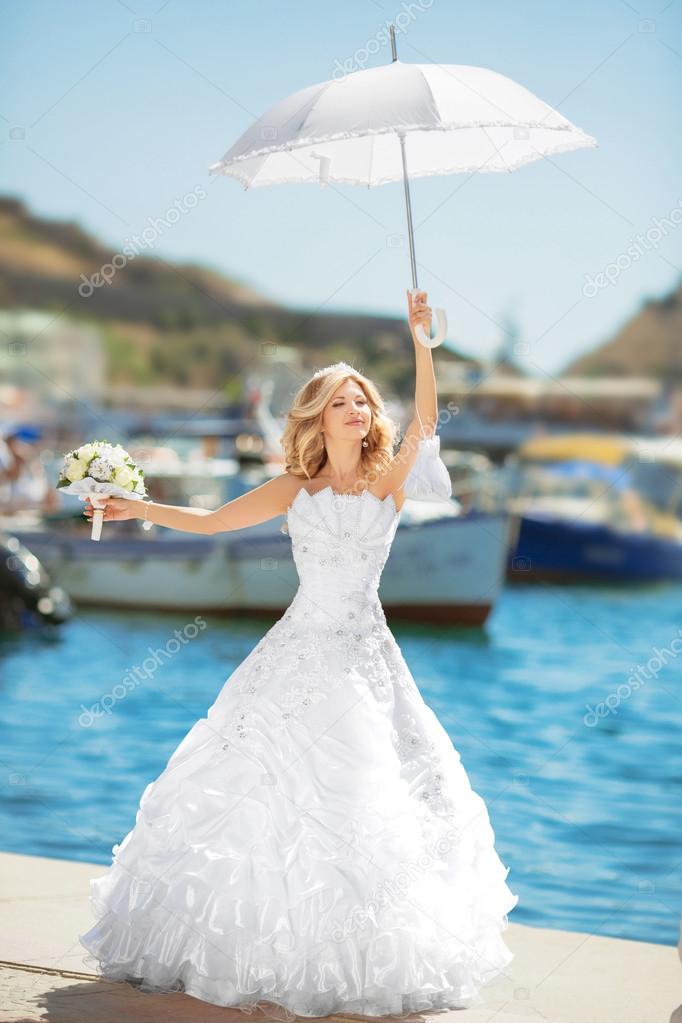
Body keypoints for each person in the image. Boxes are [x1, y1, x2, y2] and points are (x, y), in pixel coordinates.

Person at [79, 291, 518, 1017]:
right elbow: (213, 520)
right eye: (341, 400)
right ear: (317, 416)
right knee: (261, 797)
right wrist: (140, 507)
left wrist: (422, 345)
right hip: (295, 652)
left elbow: (428, 424)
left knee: (369, 799)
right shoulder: (293, 487)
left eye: (362, 400)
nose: (355, 409)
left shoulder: (389, 480)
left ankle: (357, 958)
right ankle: (261, 950)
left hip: (366, 659)